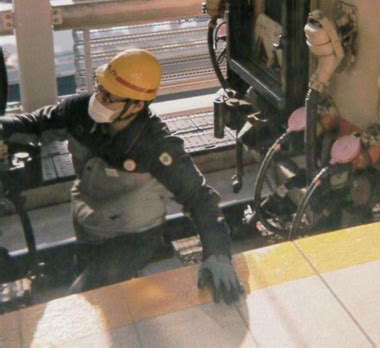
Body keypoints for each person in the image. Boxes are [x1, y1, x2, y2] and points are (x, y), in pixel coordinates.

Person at [0, 49, 243, 303]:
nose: (98, 98)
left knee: (82, 297)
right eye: (99, 88)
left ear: (136, 105)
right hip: (89, 224)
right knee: (97, 290)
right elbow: (35, 124)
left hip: (135, 236)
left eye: (109, 97)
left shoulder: (156, 145)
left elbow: (199, 197)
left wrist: (217, 254)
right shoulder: (79, 112)